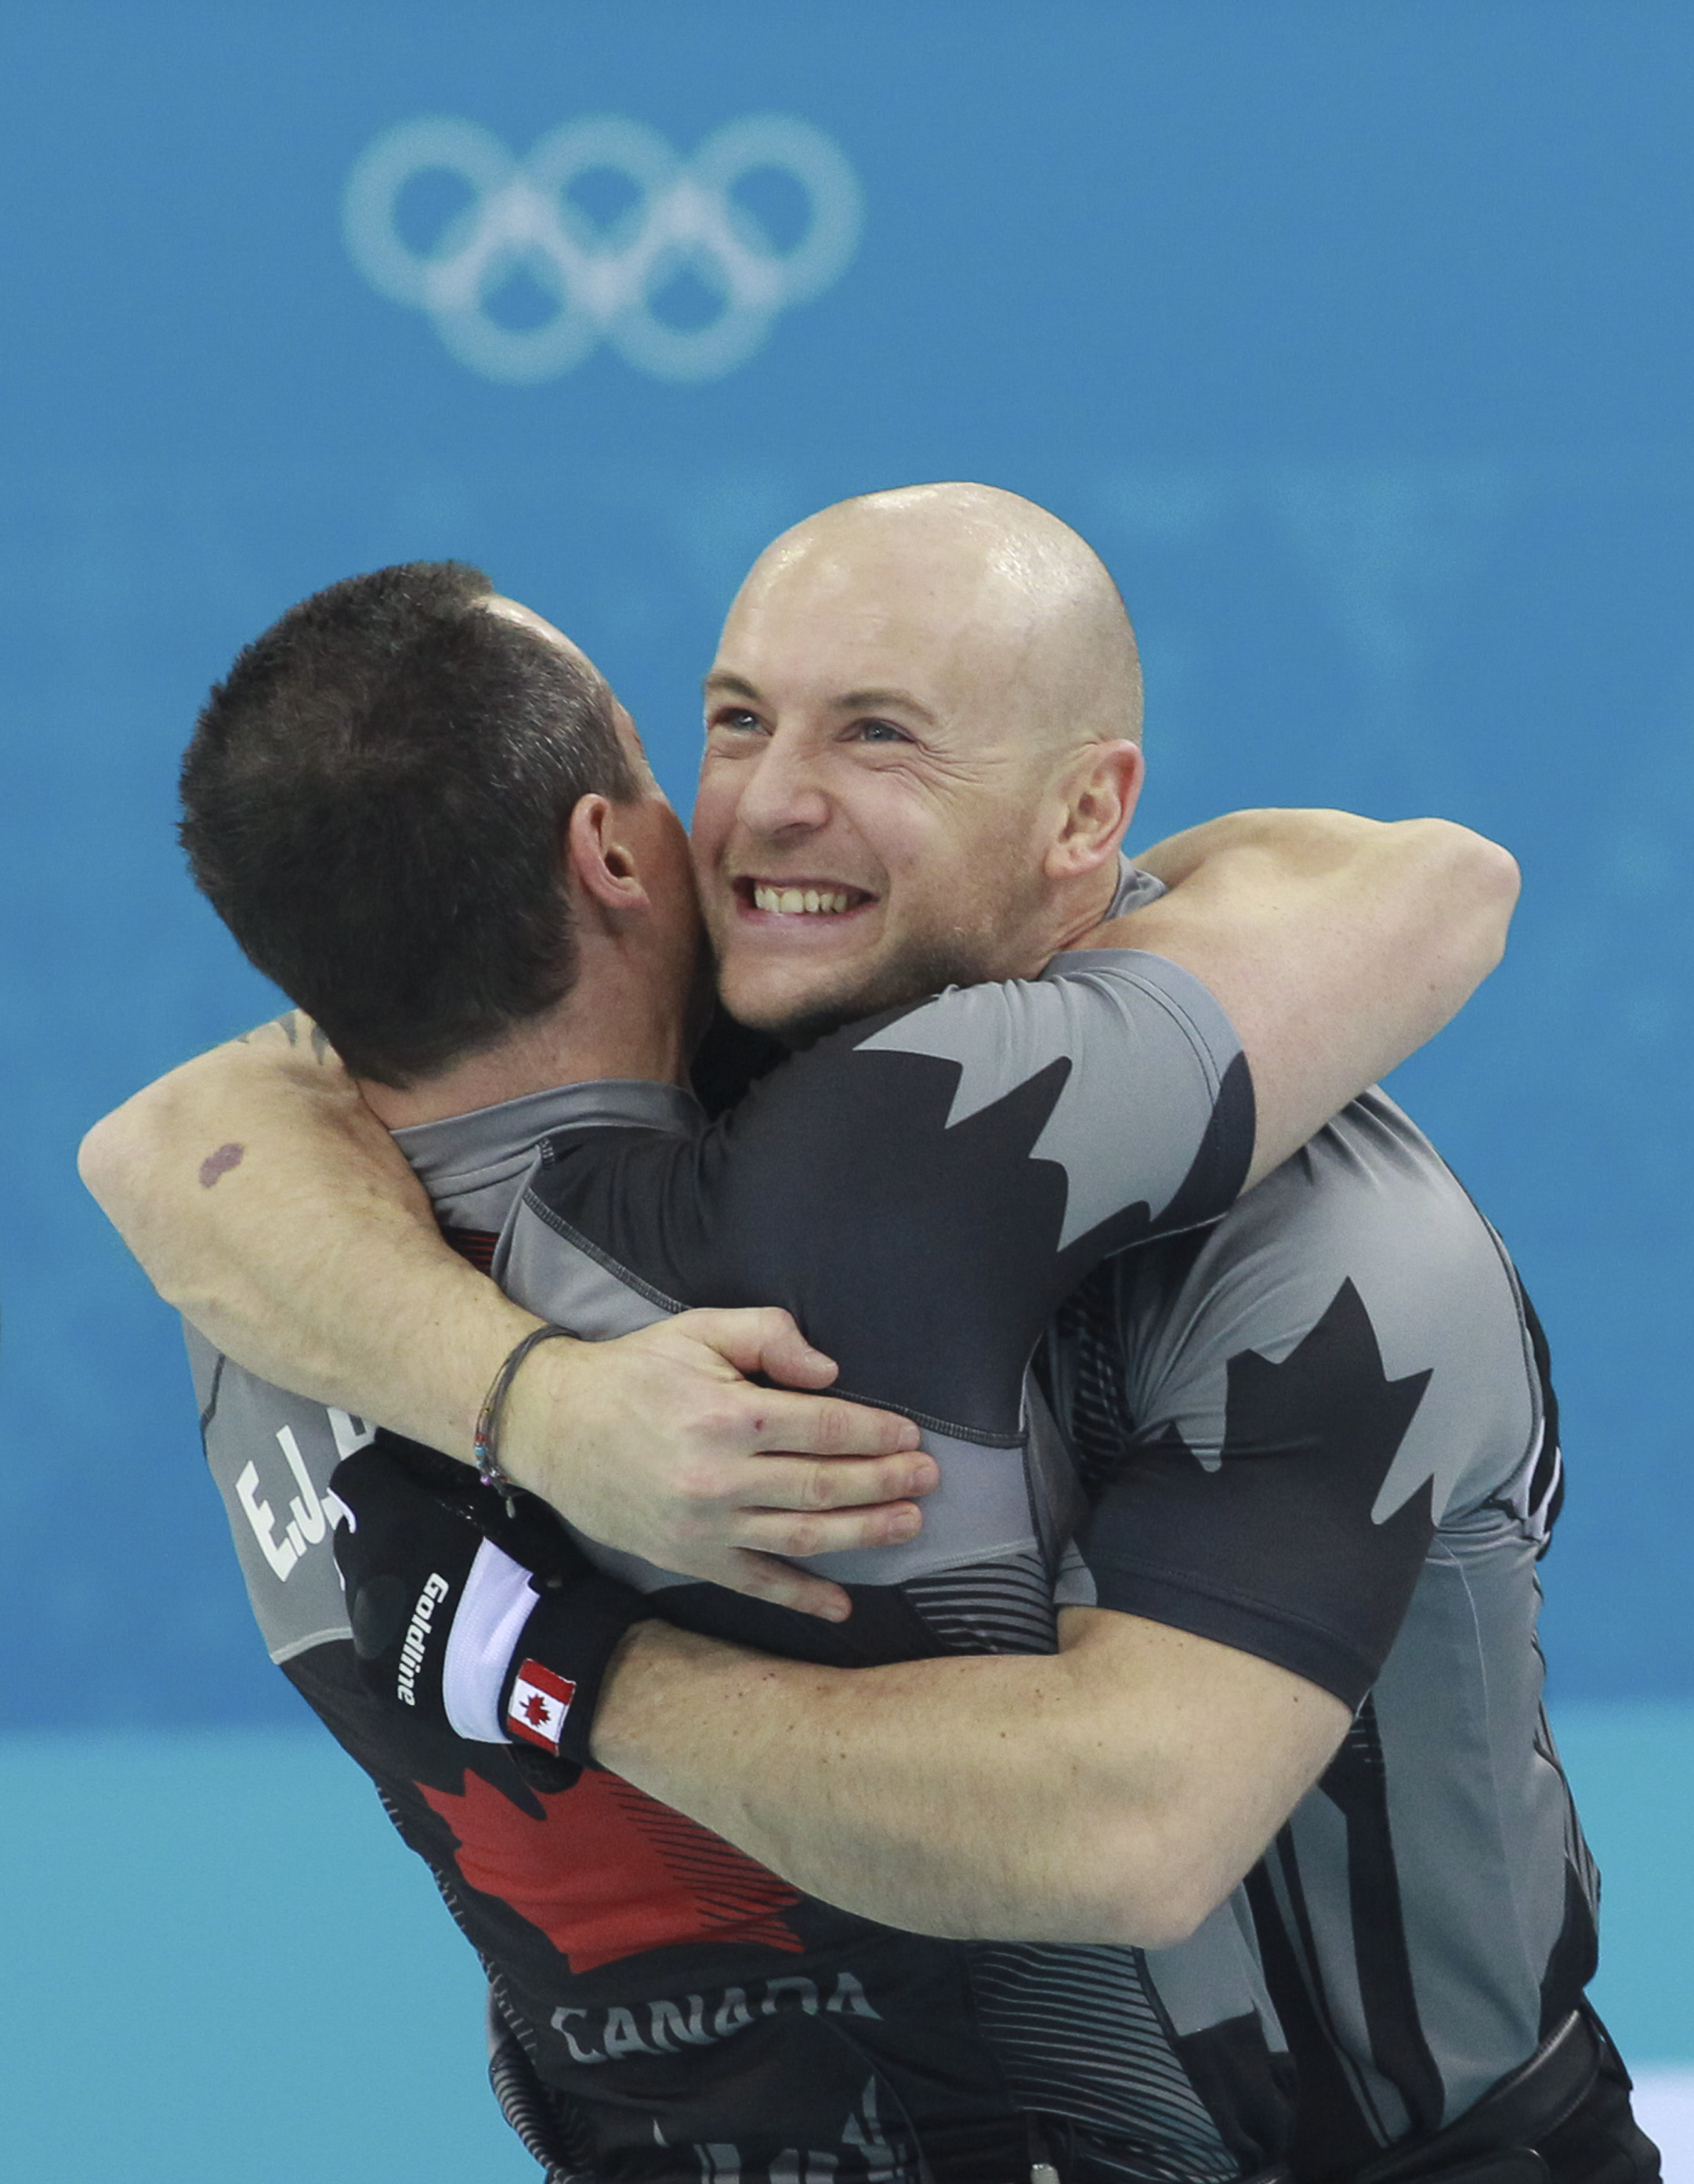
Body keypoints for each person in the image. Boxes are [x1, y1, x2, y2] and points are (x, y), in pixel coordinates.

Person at [77, 491, 1638, 2182]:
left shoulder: (1319, 1232)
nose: (767, 804)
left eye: (879, 736)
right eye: (734, 721)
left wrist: (547, 1662)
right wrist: (527, 1400)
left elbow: (1128, 1820)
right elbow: (183, 1128)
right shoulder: (663, 1121)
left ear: (1083, 814)